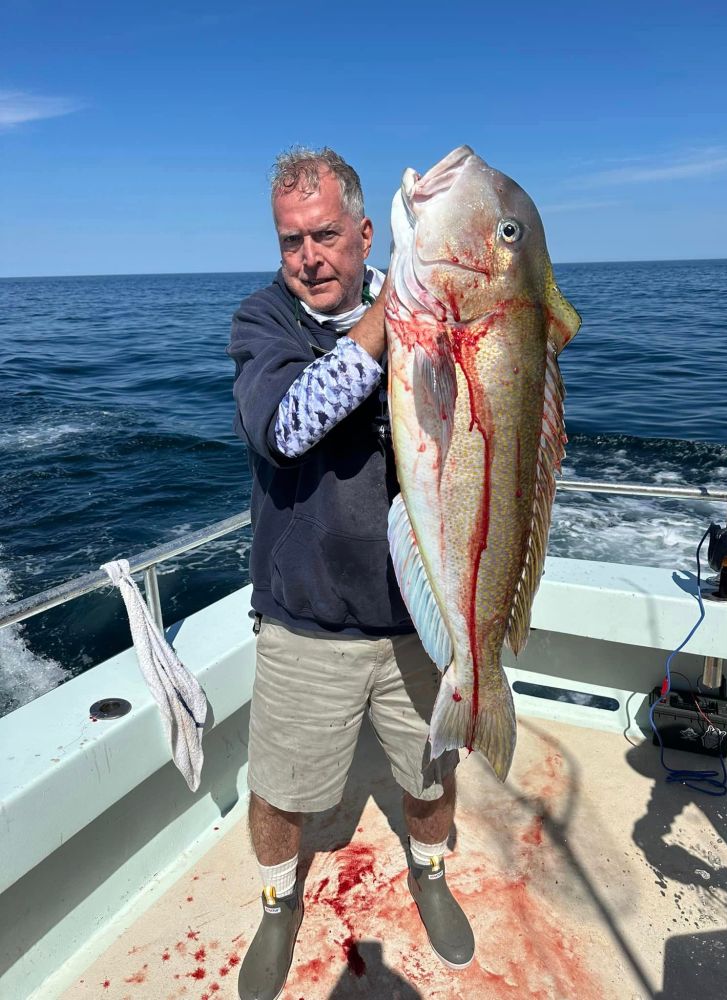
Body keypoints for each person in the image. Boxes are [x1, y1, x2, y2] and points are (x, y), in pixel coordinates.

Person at [227, 147, 474, 1000]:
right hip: (305, 622)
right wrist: (398, 296)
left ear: (367, 233)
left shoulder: (423, 311)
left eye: (326, 235)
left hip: (420, 614)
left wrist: (438, 281)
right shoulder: (264, 323)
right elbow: (290, 425)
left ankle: (432, 873)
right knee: (281, 793)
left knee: (431, 771)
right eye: (291, 240)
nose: (308, 258)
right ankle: (275, 905)